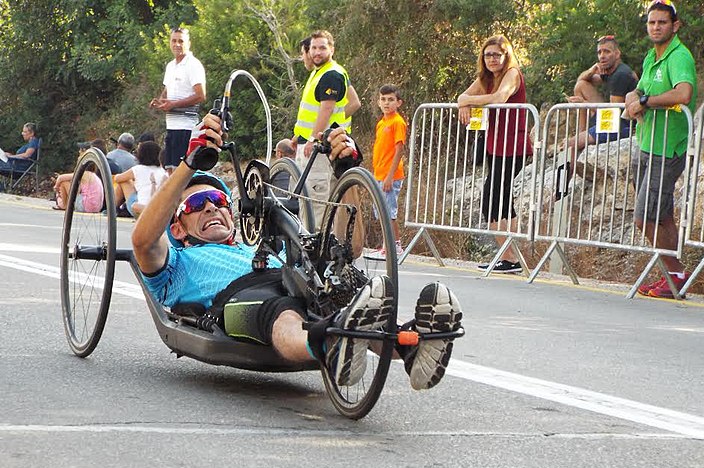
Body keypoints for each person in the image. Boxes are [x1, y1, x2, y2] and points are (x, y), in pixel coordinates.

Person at [131, 112, 463, 391]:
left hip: (289, 279)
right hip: (238, 303)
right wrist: (190, 164)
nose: (211, 209)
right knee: (281, 310)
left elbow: (352, 247)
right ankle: (331, 344)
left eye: (218, 202)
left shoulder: (261, 248)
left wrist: (346, 171)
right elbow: (142, 241)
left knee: (344, 286)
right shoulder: (173, 264)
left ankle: (414, 344)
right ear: (177, 228)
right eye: (197, 204)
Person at [624, 0, 696, 299]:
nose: (656, 27)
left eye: (662, 23)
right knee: (663, 215)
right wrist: (634, 94)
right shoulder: (653, 56)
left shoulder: (679, 56)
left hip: (668, 148)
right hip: (647, 143)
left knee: (645, 217)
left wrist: (644, 102)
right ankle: (673, 275)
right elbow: (641, 88)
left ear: (675, 25)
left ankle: (676, 273)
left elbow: (684, 93)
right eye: (652, 23)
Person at [457, 34, 533, 274]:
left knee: (494, 197)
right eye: (487, 55)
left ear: (506, 55)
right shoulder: (486, 78)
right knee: (497, 199)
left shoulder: (512, 73)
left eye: (496, 54)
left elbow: (500, 98)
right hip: (495, 145)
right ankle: (509, 258)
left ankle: (510, 257)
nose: (492, 59)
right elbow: (461, 97)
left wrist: (470, 101)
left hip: (514, 145)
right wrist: (465, 101)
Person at [292, 31, 356, 227]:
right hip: (315, 143)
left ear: (332, 49)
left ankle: (313, 250)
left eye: (322, 48)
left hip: (321, 147)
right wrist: (298, 136)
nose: (317, 52)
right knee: (311, 201)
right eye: (313, 48)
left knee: (315, 203)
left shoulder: (331, 74)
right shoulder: (318, 73)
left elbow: (326, 109)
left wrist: (313, 139)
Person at [566, 35, 639, 157]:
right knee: (581, 85)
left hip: (622, 127)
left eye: (607, 51)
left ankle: (571, 175)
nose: (602, 56)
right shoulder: (611, 71)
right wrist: (591, 70)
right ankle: (582, 131)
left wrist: (585, 104)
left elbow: (613, 115)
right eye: (599, 52)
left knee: (571, 143)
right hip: (614, 121)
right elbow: (580, 82)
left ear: (617, 54)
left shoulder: (620, 75)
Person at [150, 26, 206, 173]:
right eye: (174, 41)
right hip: (171, 126)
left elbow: (201, 95)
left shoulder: (193, 65)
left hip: (186, 127)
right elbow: (168, 89)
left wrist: (173, 104)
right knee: (170, 170)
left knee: (183, 173)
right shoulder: (170, 66)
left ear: (188, 43)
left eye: (181, 41)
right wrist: (161, 101)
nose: (177, 44)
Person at [366, 84, 407, 259]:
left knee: (389, 212)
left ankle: (394, 247)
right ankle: (386, 245)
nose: (386, 103)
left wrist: (390, 176)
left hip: (391, 175)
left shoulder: (397, 122)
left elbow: (399, 149)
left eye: (391, 100)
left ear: (398, 103)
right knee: (381, 211)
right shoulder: (382, 123)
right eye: (383, 99)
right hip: (379, 174)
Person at [113, 140, 168, 217]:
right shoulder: (162, 171)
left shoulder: (137, 169)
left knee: (124, 181)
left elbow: (117, 179)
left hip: (139, 206)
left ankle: (113, 208)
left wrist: (132, 181)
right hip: (155, 205)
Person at [53, 139, 105, 212]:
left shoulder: (84, 174)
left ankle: (64, 205)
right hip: (97, 207)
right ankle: (62, 202)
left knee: (63, 183)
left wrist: (56, 187)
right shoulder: (93, 175)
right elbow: (79, 189)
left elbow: (61, 177)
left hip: (86, 206)